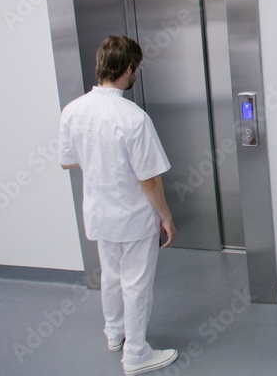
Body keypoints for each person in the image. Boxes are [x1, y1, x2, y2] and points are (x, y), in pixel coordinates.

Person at [59, 35, 179, 376]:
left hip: (99, 212)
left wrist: (100, 164)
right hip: (133, 215)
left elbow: (68, 161)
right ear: (129, 68)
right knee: (137, 282)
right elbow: (149, 180)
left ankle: (114, 334)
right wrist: (166, 216)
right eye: (136, 67)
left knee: (111, 275)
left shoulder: (73, 110)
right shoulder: (133, 117)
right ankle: (137, 353)